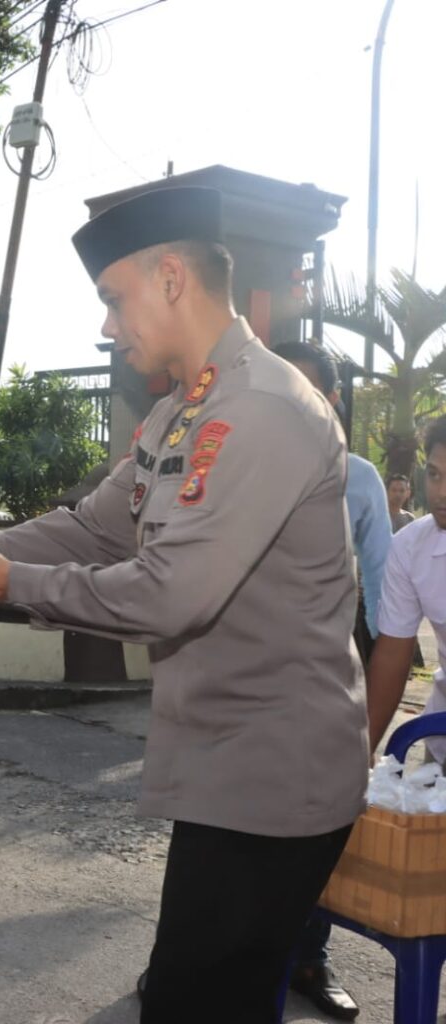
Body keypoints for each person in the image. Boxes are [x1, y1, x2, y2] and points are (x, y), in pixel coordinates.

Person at [0, 187, 368, 1024]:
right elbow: (91, 528)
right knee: (199, 994)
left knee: (202, 1003)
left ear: (169, 277)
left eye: (112, 300)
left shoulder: (261, 408)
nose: (109, 328)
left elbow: (170, 593)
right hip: (225, 769)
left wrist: (6, 585)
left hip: (274, 776)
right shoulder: (180, 411)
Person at [272, 342, 392, 1020]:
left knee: (321, 822)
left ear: (336, 400)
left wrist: (371, 706)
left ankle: (309, 959)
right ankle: (190, 955)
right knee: (223, 825)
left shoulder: (362, 480)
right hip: (246, 673)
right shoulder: (235, 464)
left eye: (315, 395)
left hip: (328, 673)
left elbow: (383, 597)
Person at [368, 417, 446, 762]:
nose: (441, 492)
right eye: (434, 474)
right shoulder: (410, 547)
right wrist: (359, 752)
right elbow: (393, 654)